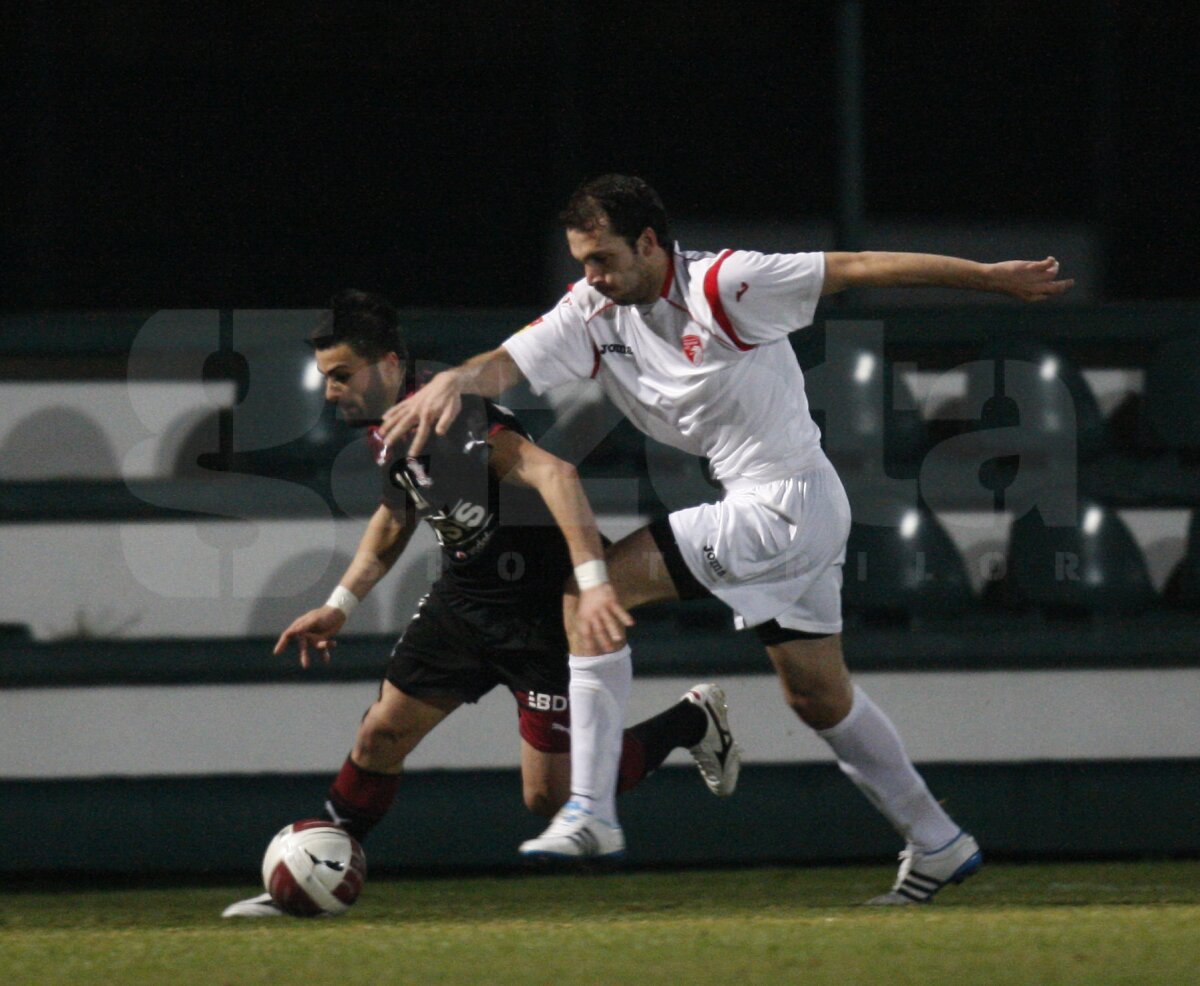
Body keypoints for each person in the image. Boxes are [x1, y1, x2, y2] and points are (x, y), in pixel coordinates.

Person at [379, 175, 1074, 904]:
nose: (591, 275)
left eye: (604, 258)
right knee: (817, 696)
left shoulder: (724, 283)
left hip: (784, 503)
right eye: (582, 261)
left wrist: (990, 279)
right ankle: (939, 841)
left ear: (650, 243)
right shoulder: (594, 309)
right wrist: (456, 382)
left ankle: (591, 811)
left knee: (595, 588)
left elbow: (860, 266)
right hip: (788, 505)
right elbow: (507, 363)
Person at [223, 289, 741, 917]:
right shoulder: (388, 430)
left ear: (389, 365)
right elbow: (395, 517)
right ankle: (316, 874)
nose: (331, 392)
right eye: (326, 378)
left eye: (340, 376)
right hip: (464, 603)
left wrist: (594, 580)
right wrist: (339, 604)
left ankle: (691, 721)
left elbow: (558, 475)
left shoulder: (457, 419)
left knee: (550, 800)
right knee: (381, 733)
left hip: (540, 614)